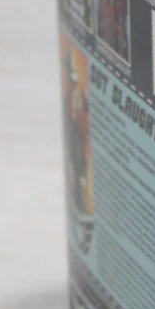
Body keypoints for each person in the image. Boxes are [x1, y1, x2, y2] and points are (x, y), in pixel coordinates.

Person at [64, 48, 90, 214]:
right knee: (74, 175)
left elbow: (86, 114)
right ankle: (79, 209)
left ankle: (83, 208)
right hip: (74, 142)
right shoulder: (68, 95)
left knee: (81, 176)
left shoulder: (82, 93)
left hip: (80, 141)